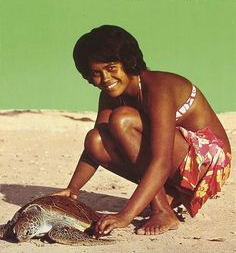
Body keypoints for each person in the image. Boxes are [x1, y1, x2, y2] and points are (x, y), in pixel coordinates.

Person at [55, 25, 231, 236]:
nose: (106, 79)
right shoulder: (110, 95)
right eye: (96, 73)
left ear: (128, 61)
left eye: (111, 68)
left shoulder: (157, 87)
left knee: (121, 120)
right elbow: (95, 148)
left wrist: (125, 216)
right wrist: (73, 189)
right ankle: (171, 194)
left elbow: (161, 160)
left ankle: (163, 211)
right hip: (176, 163)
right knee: (95, 139)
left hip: (208, 164)